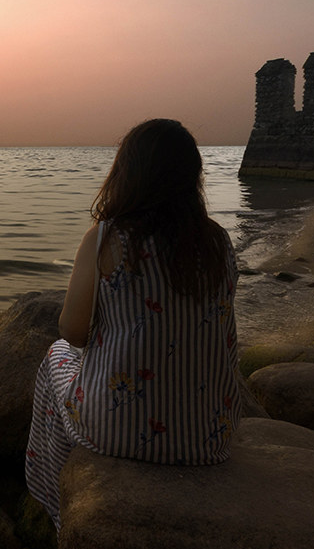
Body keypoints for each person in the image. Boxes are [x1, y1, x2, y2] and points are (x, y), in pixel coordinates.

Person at [25, 119, 241, 528]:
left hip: (119, 432)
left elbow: (72, 332)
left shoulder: (107, 237)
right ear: (192, 177)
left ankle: (58, 512)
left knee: (55, 357)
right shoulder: (218, 242)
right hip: (212, 436)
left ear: (127, 172)